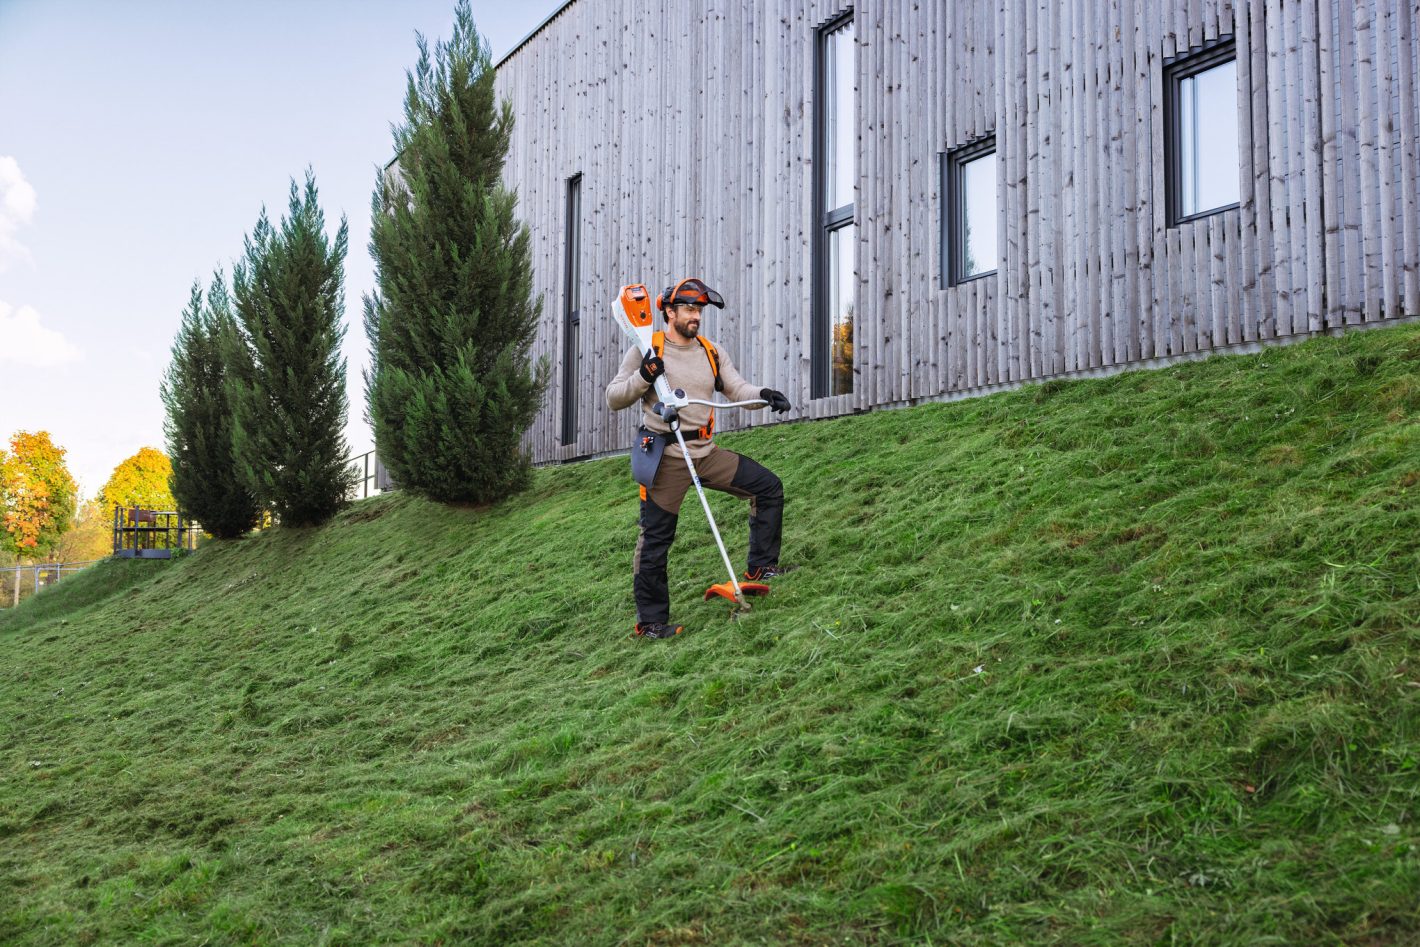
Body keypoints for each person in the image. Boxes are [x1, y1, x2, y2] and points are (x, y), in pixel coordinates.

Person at [606, 277, 793, 640]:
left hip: (705, 452)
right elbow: (614, 397)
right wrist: (644, 377)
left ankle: (761, 568)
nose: (696, 317)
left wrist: (765, 395)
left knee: (768, 488)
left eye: (699, 311)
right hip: (666, 457)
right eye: (689, 309)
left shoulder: (711, 351)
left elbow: (737, 389)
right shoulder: (645, 348)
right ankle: (651, 623)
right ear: (669, 312)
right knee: (655, 540)